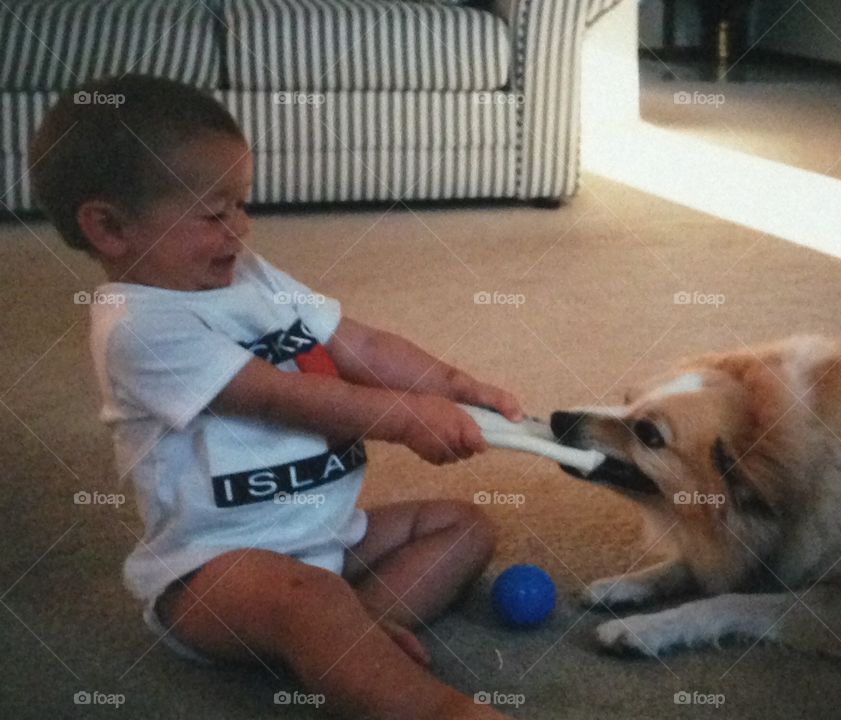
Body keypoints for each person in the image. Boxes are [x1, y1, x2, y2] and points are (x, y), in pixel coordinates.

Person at [31, 74, 522, 720]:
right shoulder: (139, 326)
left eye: (242, 203)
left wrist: (453, 385)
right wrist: (406, 418)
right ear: (110, 228)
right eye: (214, 213)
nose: (241, 228)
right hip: (214, 573)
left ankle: (356, 633)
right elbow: (278, 399)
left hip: (329, 536)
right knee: (309, 600)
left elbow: (361, 345)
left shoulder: (252, 276)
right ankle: (439, 708)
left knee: (463, 526)